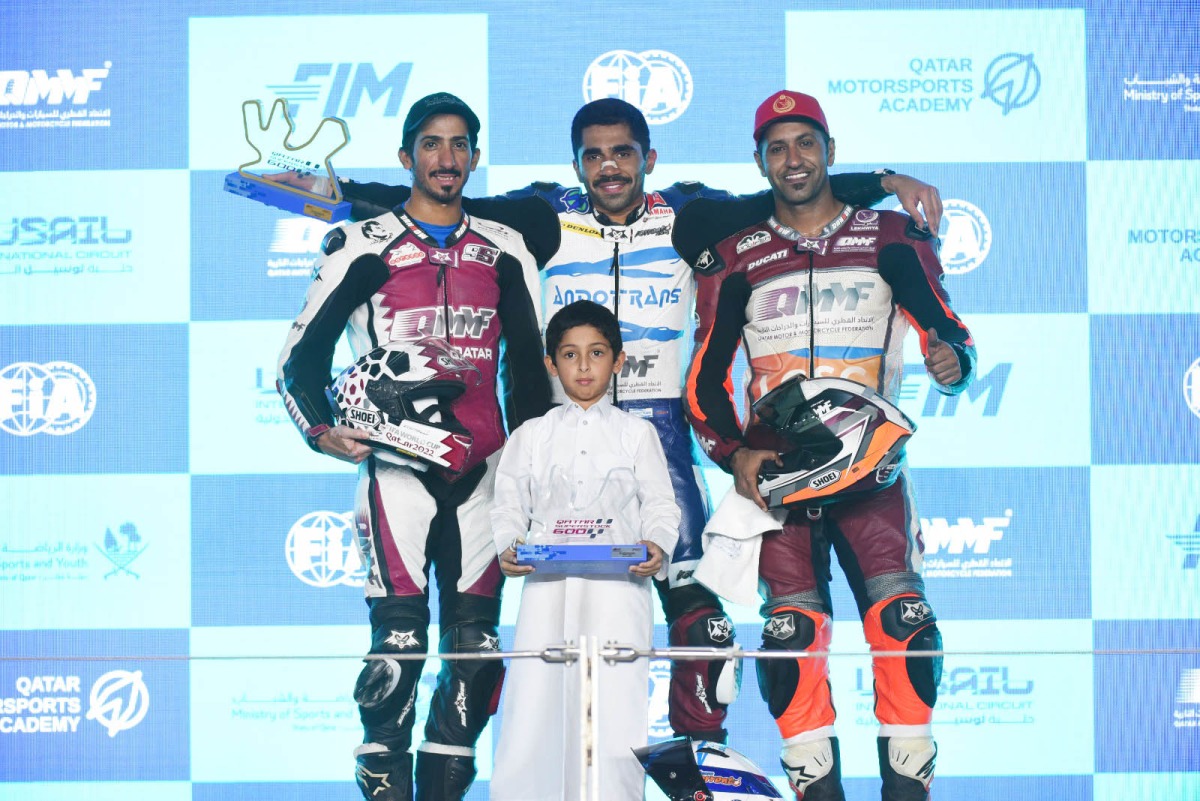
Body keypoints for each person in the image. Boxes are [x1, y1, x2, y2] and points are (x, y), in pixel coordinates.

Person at [282, 98, 944, 744]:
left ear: (648, 157)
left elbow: (785, 196)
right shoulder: (541, 222)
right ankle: (545, 768)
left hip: (658, 436)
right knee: (516, 627)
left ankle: (696, 771)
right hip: (561, 437)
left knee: (705, 631)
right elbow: (430, 199)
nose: (609, 169)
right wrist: (318, 192)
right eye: (593, 157)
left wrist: (886, 183)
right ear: (576, 165)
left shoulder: (689, 217)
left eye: (622, 153)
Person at [684, 90, 977, 801]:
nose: (794, 159)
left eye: (806, 144)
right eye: (777, 148)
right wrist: (734, 455)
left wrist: (953, 362)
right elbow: (703, 380)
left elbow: (950, 330)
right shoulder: (733, 255)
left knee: (905, 633)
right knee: (789, 644)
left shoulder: (890, 236)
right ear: (759, 161)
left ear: (831, 152)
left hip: (872, 476)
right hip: (778, 485)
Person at [276, 92, 552, 801]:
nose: (447, 158)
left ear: (476, 158)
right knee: (397, 653)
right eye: (432, 144)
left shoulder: (506, 249)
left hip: (487, 472)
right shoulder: (363, 244)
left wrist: (533, 470)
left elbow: (530, 369)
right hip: (395, 468)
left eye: (460, 145)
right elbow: (296, 361)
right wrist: (318, 428)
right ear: (407, 157)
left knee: (477, 657)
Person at [488, 299, 680, 801]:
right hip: (547, 588)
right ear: (552, 364)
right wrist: (508, 546)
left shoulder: (638, 434)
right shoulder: (531, 435)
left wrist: (656, 545)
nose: (584, 367)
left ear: (618, 361)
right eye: (569, 356)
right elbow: (508, 502)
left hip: (618, 589)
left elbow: (662, 502)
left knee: (615, 707)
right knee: (536, 701)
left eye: (596, 353)